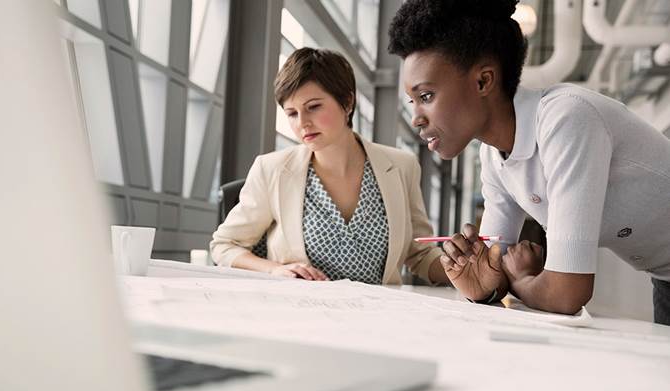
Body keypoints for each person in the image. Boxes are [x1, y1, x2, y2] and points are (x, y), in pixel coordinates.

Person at [388, 0, 670, 324]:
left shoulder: (566, 118)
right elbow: (492, 269)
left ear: (483, 81)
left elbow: (567, 292)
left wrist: (521, 281)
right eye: (412, 102)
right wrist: (482, 286)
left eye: (426, 97)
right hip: (664, 276)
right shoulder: (493, 157)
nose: (415, 119)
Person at [210, 47, 449, 285]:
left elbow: (420, 254)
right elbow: (224, 245)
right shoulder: (271, 169)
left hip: (377, 315)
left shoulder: (401, 166)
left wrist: (468, 270)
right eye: (292, 113)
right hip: (300, 313)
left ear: (347, 102)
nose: (302, 123)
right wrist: (273, 269)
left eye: (313, 107)